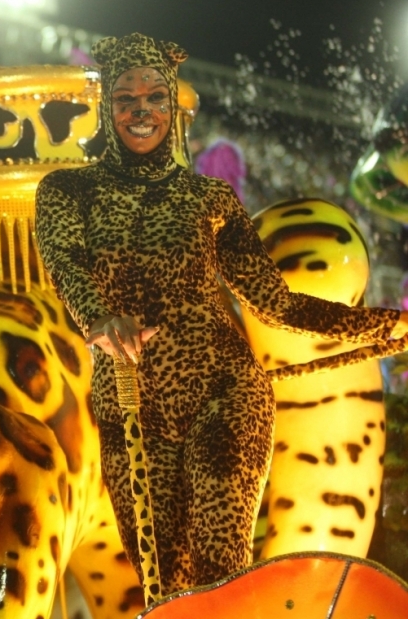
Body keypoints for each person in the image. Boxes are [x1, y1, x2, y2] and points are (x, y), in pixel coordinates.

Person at [34, 33, 408, 595]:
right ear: (106, 107)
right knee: (161, 583)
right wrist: (99, 319)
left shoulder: (210, 199)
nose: (142, 111)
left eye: (155, 97)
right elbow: (64, 262)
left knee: (217, 577)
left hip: (224, 390)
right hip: (130, 398)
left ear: (171, 107)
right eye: (125, 99)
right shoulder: (66, 191)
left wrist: (383, 326)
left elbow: (277, 304)